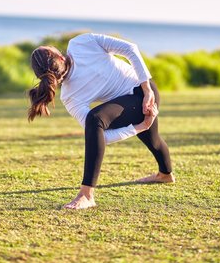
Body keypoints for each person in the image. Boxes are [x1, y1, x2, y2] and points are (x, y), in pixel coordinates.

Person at [27, 33, 174, 209]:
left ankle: (87, 194)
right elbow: (98, 136)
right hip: (131, 106)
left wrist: (147, 90)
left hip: (144, 92)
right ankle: (165, 175)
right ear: (59, 56)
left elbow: (130, 49)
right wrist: (139, 127)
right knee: (105, 124)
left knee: (151, 139)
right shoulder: (70, 92)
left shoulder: (82, 45)